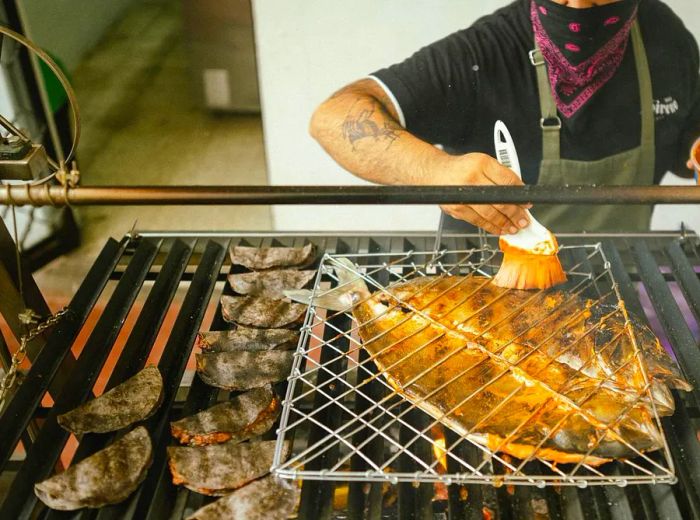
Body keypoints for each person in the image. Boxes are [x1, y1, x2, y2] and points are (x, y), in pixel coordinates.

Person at [309, 0, 700, 234]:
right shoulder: (482, 53)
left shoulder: (665, 37)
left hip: (622, 284)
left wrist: (694, 147)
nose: (579, 6)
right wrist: (435, 171)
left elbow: (685, 130)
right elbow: (333, 117)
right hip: (489, 296)